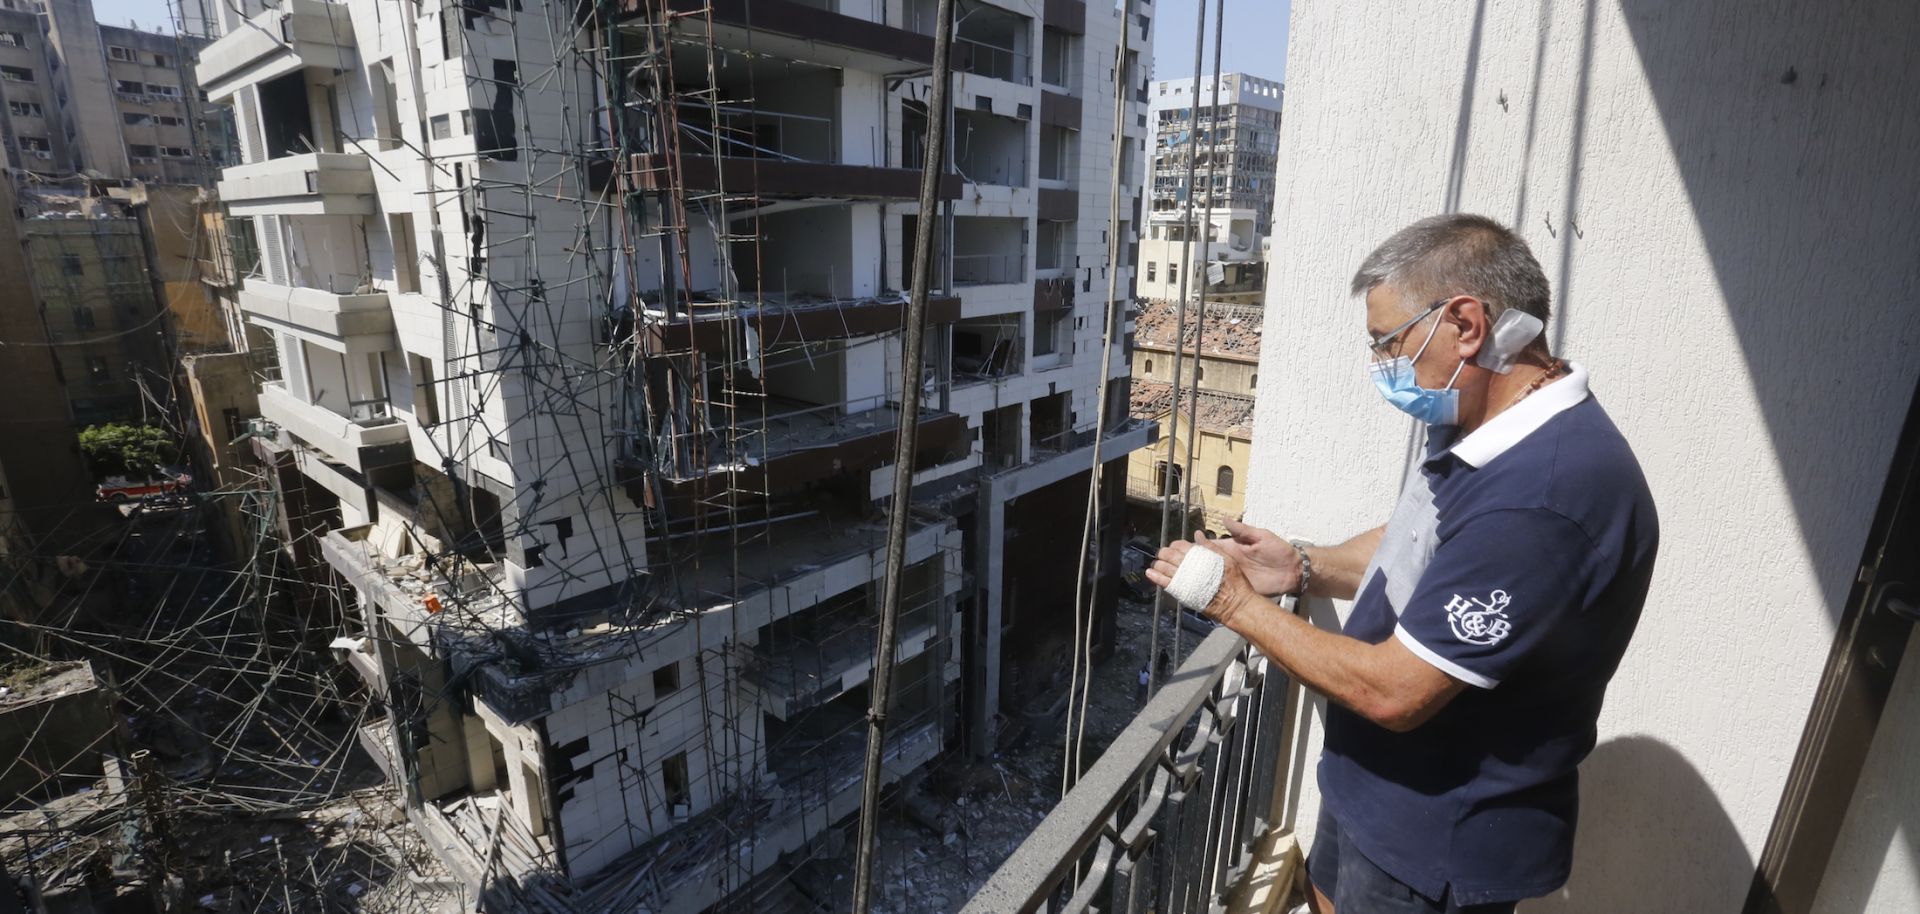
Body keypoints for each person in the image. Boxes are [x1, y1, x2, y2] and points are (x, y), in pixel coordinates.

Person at [1146, 214, 1659, 914]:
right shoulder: (1484, 430)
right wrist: (1302, 566)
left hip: (1436, 837)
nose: (1384, 367)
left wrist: (1234, 601)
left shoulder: (1542, 501)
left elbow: (1395, 692)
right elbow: (1426, 541)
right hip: (1377, 794)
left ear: (1467, 325)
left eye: (1389, 342)